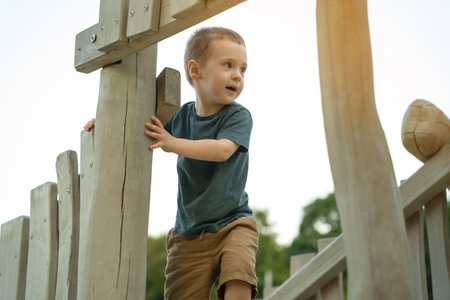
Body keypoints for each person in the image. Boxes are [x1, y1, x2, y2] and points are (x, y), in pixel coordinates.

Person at [85, 26, 258, 300]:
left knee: (239, 277)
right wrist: (106, 124)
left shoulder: (237, 117)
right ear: (195, 70)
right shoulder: (180, 119)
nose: (237, 75)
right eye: (228, 65)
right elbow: (137, 129)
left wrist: (172, 143)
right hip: (188, 234)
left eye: (243, 69)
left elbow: (223, 150)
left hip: (232, 223)